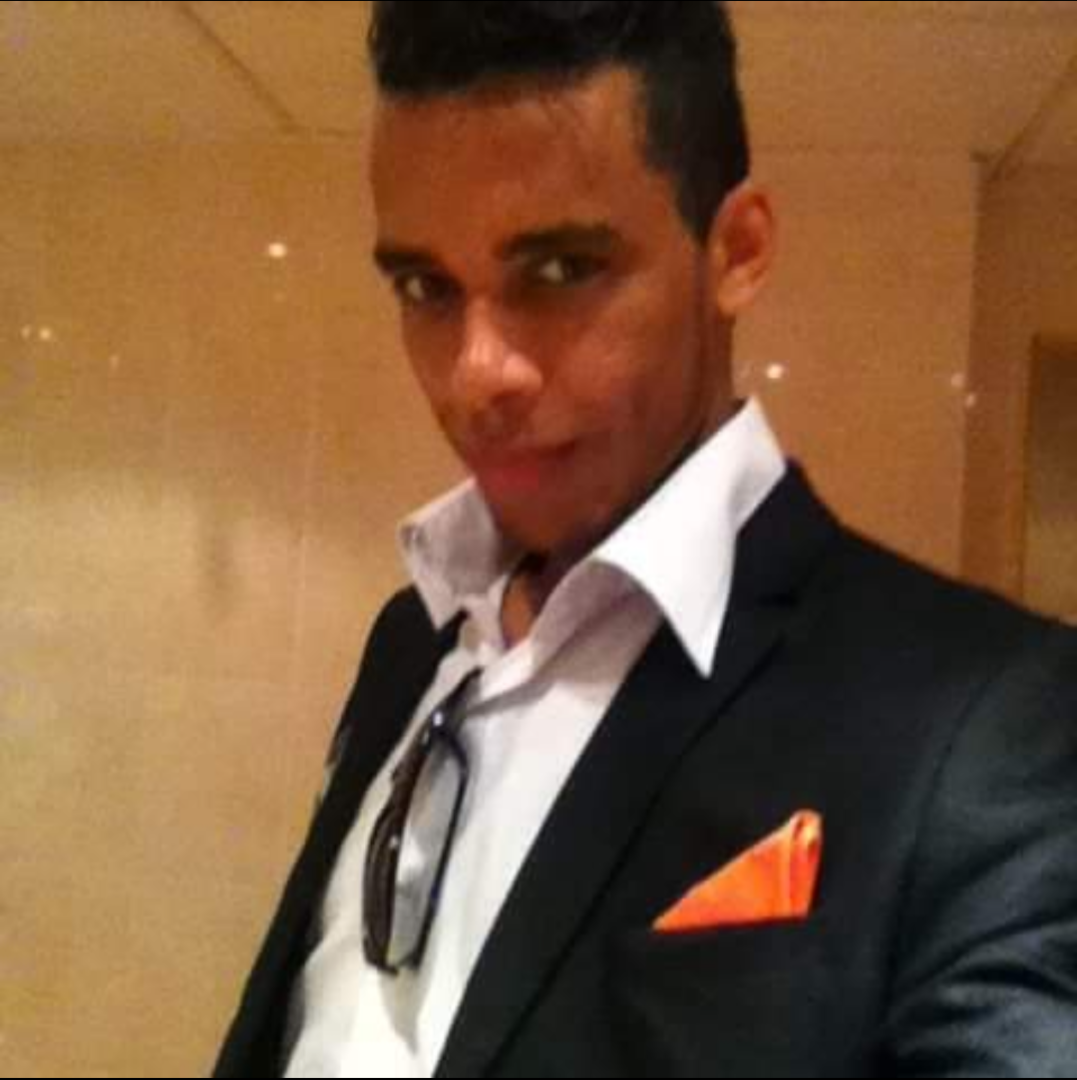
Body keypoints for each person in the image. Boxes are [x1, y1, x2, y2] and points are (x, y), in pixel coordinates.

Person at [213, 3, 1077, 1076]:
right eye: (426, 288)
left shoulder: (993, 722)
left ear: (736, 250)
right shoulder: (411, 641)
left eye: (559, 271)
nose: (477, 374)